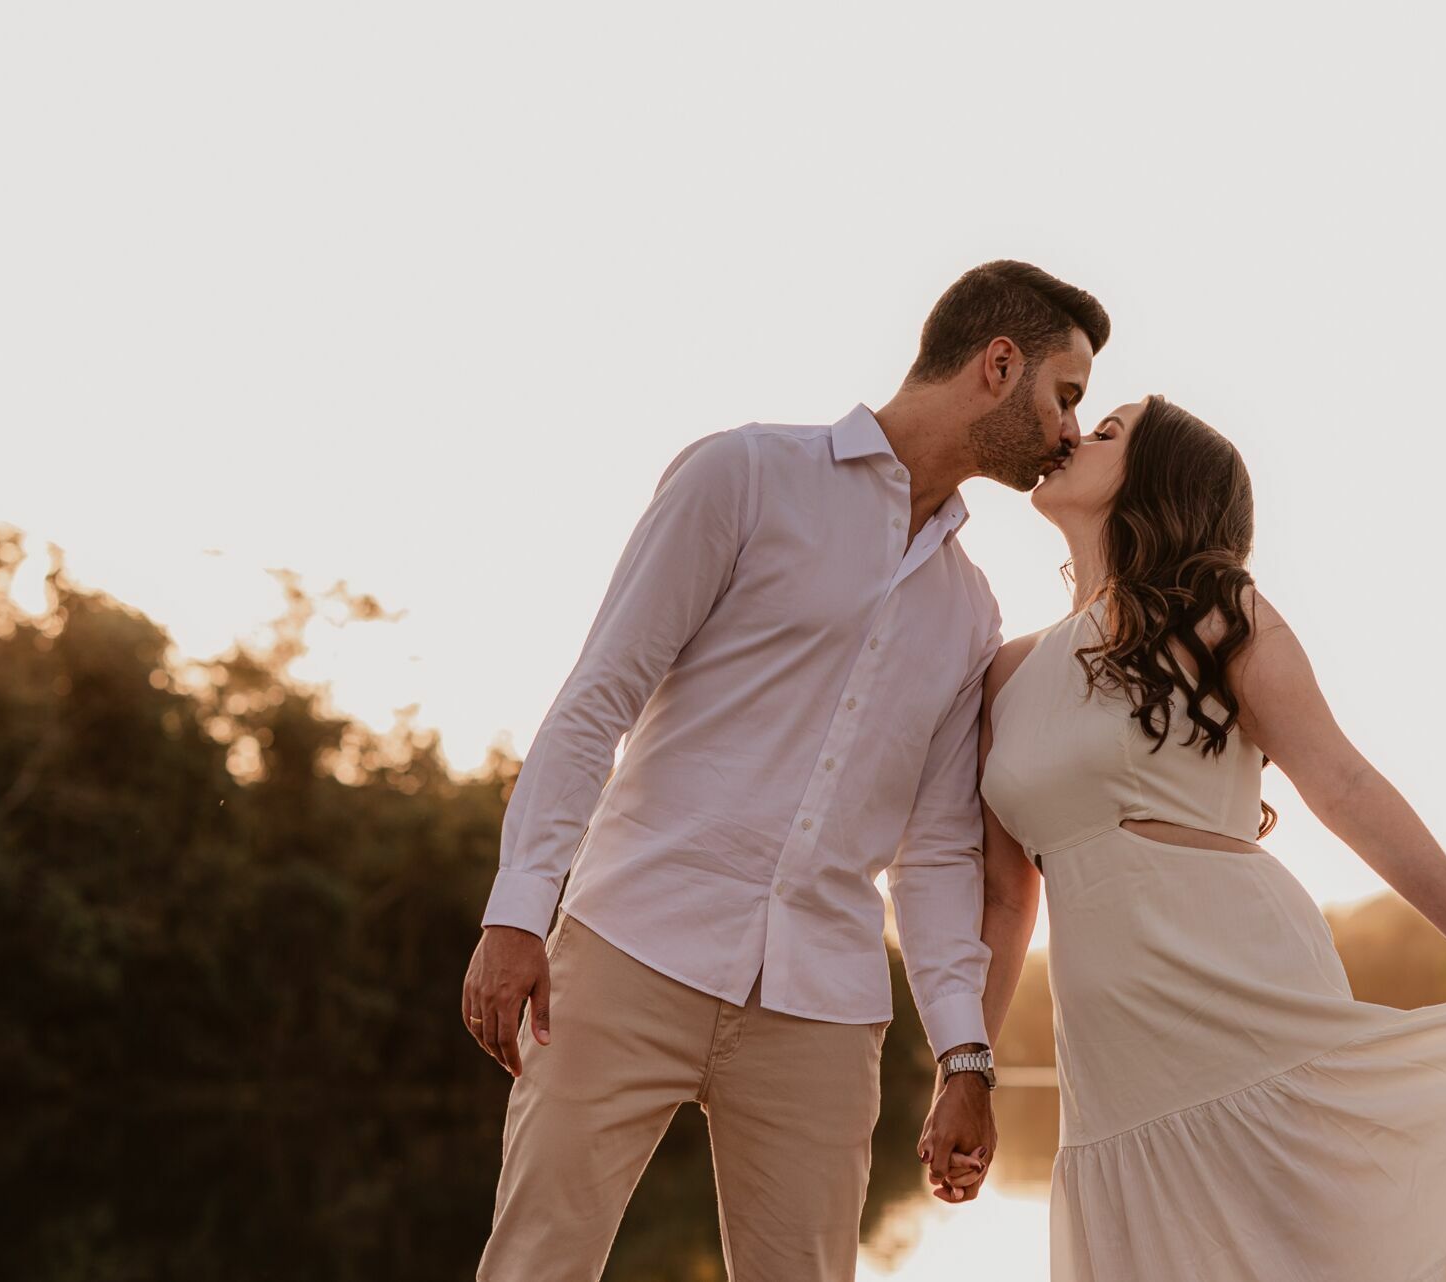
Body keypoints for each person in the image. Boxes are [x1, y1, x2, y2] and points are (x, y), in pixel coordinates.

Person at [465, 260, 1109, 1281]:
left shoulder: (968, 609)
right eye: (1064, 395)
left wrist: (965, 1054)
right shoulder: (745, 476)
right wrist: (518, 905)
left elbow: (937, 853)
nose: (1071, 428)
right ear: (998, 365)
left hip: (822, 1003)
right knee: (536, 1263)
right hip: (629, 942)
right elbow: (601, 696)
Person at [972, 395, 1446, 1280]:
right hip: (1115, 1058)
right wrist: (965, 1068)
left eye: (1108, 432)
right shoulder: (1007, 671)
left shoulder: (1217, 611)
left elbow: (1341, 784)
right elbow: (1007, 901)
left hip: (1247, 985)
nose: (1074, 435)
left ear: (1158, 482)